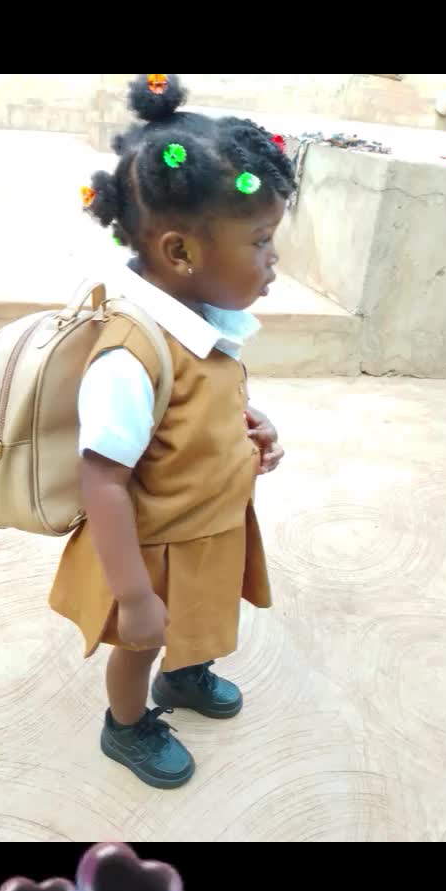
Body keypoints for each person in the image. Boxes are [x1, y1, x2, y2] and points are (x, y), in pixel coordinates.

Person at [49, 74, 294, 789]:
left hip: (209, 529)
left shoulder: (204, 319)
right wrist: (132, 596)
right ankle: (126, 726)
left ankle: (185, 674)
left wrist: (250, 422)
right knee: (142, 641)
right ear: (181, 252)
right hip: (151, 550)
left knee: (203, 611)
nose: (274, 259)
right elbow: (104, 480)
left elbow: (205, 395)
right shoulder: (130, 357)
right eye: (261, 241)